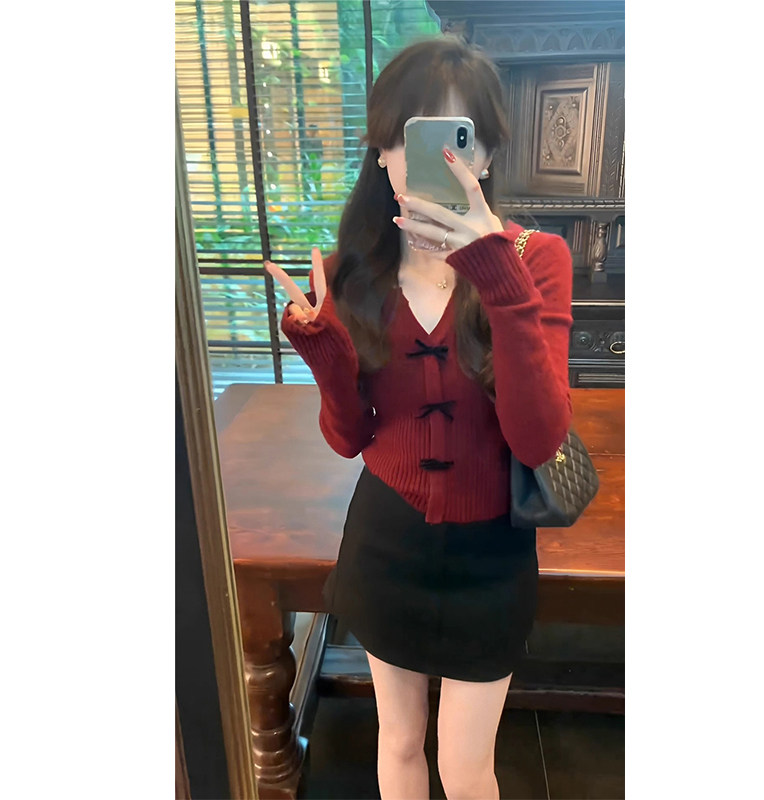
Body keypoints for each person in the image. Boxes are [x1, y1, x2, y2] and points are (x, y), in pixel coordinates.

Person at [266, 37, 572, 800]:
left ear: (488, 154)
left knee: (467, 770)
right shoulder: (349, 273)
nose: (434, 158)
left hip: (492, 554)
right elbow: (349, 439)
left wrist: (495, 273)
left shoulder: (537, 258)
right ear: (381, 150)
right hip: (387, 543)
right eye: (412, 135)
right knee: (400, 742)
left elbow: (539, 439)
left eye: (457, 137)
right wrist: (326, 355)